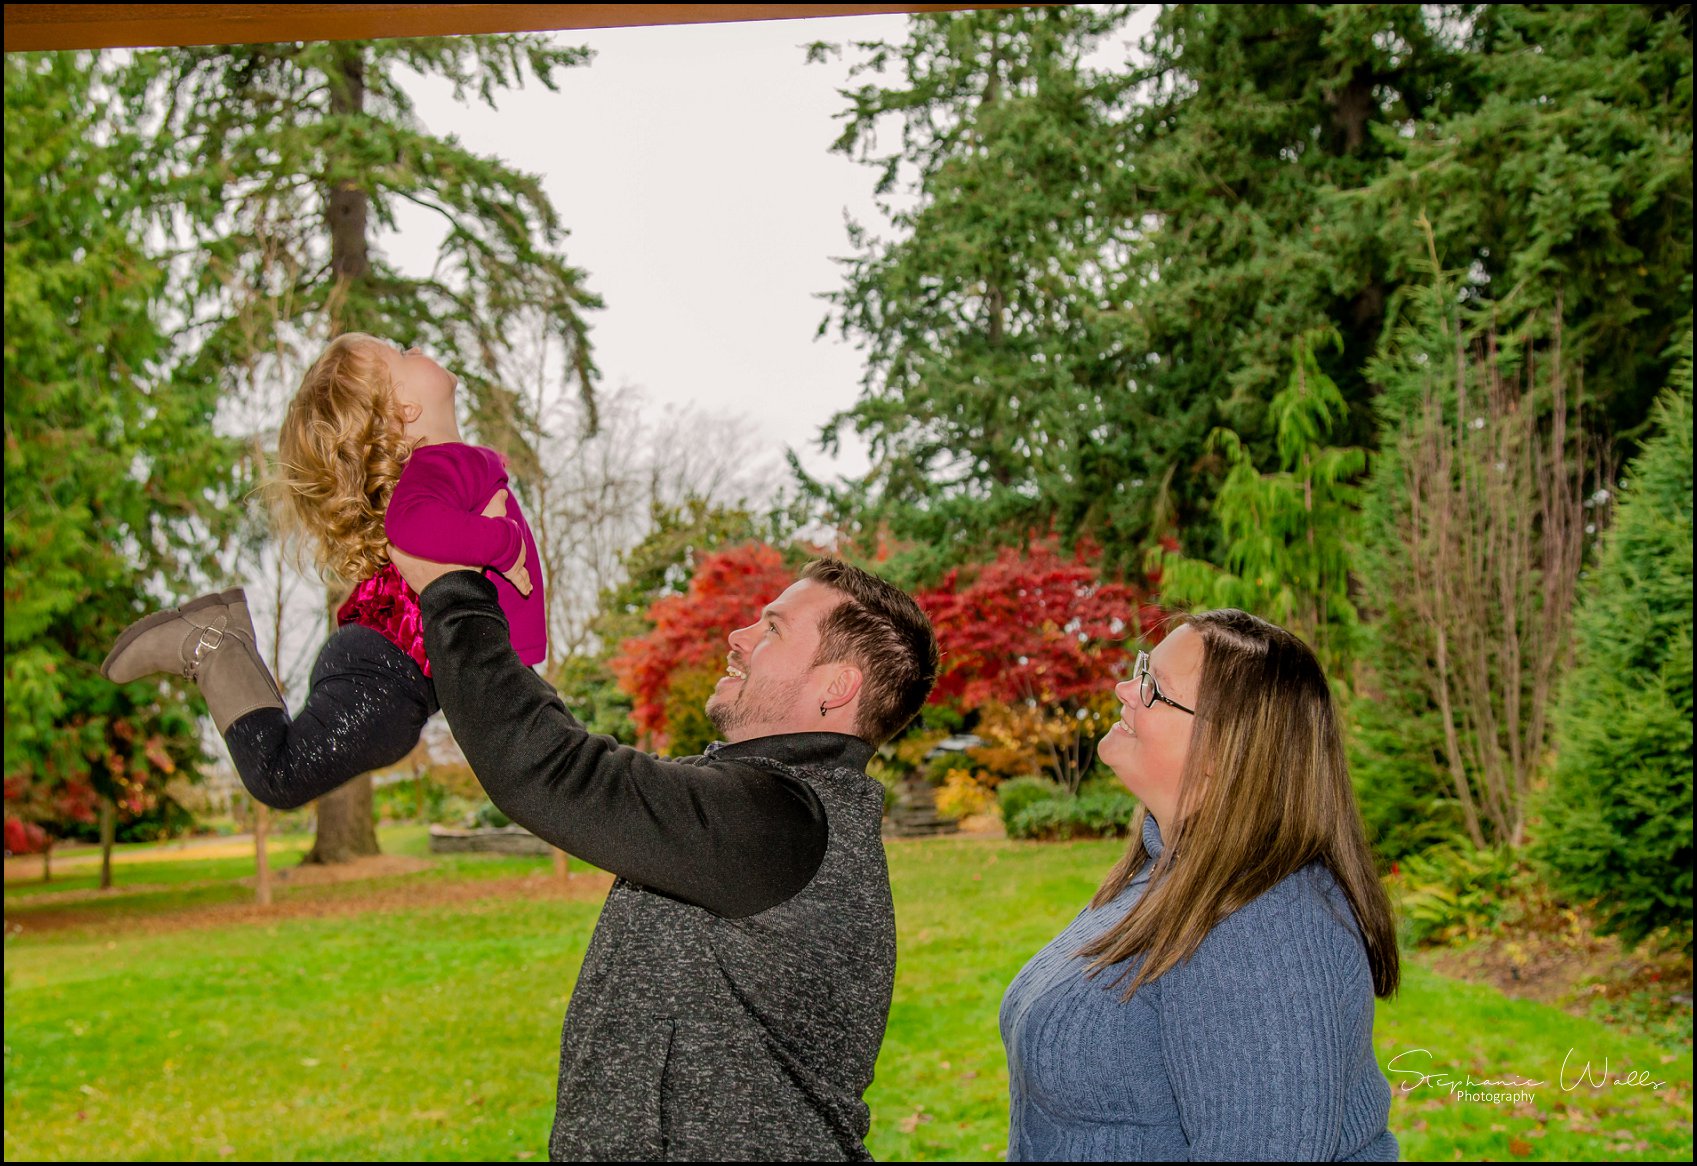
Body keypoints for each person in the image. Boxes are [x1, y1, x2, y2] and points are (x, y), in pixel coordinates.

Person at [389, 546, 938, 1161]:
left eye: (773, 628)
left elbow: (550, 767)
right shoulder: (768, 808)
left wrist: (448, 585)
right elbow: (561, 751)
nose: (737, 635)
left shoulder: (781, 820)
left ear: (836, 686)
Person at [1000, 609, 1400, 1161]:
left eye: (1153, 687)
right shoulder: (1166, 870)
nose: (1123, 689)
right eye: (1141, 669)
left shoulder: (1266, 928)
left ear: (1225, 748)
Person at [100, 333, 543, 811]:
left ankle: (221, 642)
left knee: (286, 772)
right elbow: (411, 528)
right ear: (405, 409)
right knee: (280, 776)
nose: (415, 349)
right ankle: (214, 646)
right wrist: (504, 542)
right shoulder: (443, 463)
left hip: (384, 670)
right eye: (401, 353)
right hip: (388, 676)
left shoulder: (448, 466)